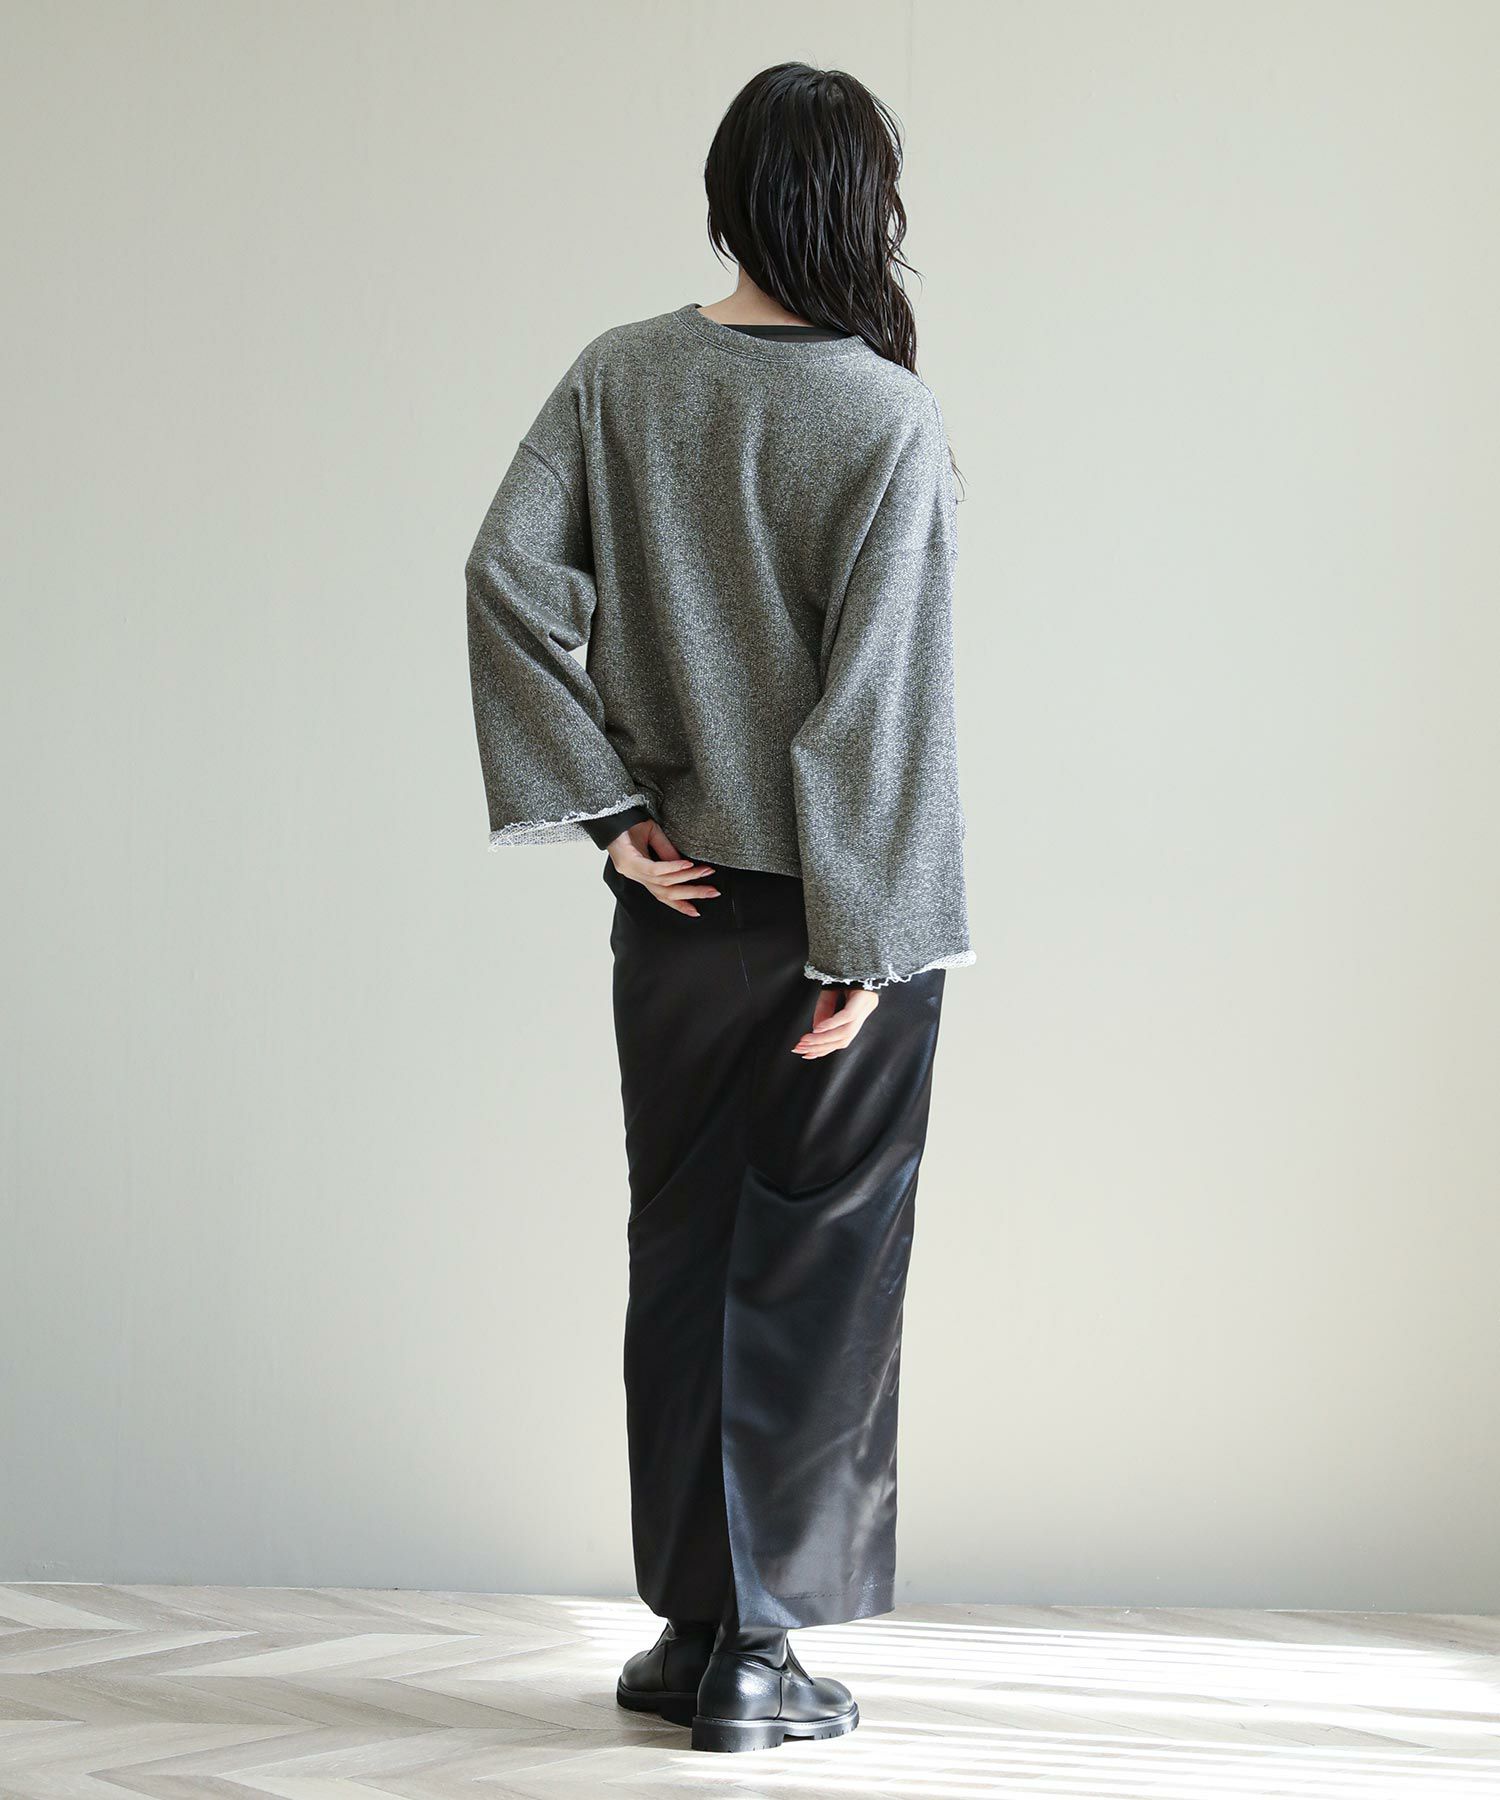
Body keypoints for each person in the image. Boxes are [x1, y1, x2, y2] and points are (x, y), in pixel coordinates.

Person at [465, 61, 972, 1755]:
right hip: (832, 912)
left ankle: (691, 1632)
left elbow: (505, 573)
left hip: (678, 909)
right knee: (814, 1270)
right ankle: (761, 1654)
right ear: (863, 208)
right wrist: (867, 945)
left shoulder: (622, 373)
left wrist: (610, 816)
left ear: (726, 194)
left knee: (684, 1251)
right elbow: (880, 706)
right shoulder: (884, 417)